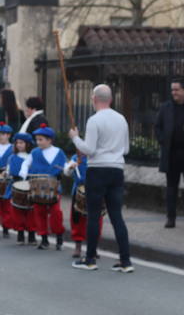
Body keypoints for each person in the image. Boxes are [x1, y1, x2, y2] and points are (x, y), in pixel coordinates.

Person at [69, 84, 133, 271]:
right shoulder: (122, 119)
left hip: (97, 170)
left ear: (94, 99)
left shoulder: (94, 120)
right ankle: (126, 261)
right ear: (111, 100)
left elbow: (89, 149)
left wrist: (74, 137)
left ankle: (89, 259)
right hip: (117, 169)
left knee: (93, 215)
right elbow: (126, 149)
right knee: (116, 216)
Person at [155, 80, 184, 230]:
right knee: (171, 188)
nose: (174, 92)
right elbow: (158, 127)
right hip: (171, 153)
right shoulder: (165, 107)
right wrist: (163, 140)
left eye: (177, 89)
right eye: (172, 90)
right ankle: (170, 218)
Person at [19, 125, 66, 251]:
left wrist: (68, 169)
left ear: (49, 140)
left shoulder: (59, 152)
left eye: (41, 139)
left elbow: (64, 166)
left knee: (56, 212)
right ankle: (44, 238)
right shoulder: (34, 152)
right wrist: (23, 172)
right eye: (37, 139)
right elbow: (26, 163)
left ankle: (59, 235)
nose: (38, 142)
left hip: (53, 188)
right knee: (39, 212)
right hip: (37, 187)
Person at [65, 153, 101, 261]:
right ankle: (78, 246)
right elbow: (66, 172)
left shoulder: (98, 157)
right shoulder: (75, 158)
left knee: (96, 221)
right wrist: (71, 167)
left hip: (95, 192)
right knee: (77, 221)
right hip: (78, 192)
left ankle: (93, 248)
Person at [6, 132, 34, 245]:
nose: (19, 145)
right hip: (16, 184)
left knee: (31, 211)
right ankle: (20, 234)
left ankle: (32, 235)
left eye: (21, 142)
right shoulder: (12, 157)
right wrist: (6, 173)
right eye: (17, 142)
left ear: (27, 144)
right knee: (17, 211)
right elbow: (8, 170)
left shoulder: (32, 156)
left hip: (30, 184)